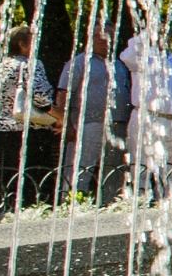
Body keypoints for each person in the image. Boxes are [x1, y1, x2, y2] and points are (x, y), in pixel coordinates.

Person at [0, 25, 56, 218]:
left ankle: (6, 214)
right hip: (28, 130)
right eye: (33, 41)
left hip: (2, 132)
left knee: (9, 176)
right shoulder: (30, 64)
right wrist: (61, 119)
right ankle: (32, 216)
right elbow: (41, 97)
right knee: (32, 179)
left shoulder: (0, 66)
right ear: (23, 44)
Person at [55, 23, 129, 202]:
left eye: (111, 36)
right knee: (80, 169)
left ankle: (110, 206)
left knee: (114, 171)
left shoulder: (120, 64)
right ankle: (71, 205)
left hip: (118, 126)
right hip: (87, 124)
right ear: (91, 38)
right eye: (102, 36)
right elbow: (63, 95)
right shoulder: (79, 62)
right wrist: (66, 125)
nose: (107, 41)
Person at [121, 27, 172, 202]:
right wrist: (146, 32)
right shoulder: (143, 58)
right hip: (149, 118)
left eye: (167, 32)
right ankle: (141, 200)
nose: (164, 36)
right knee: (142, 166)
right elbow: (126, 56)